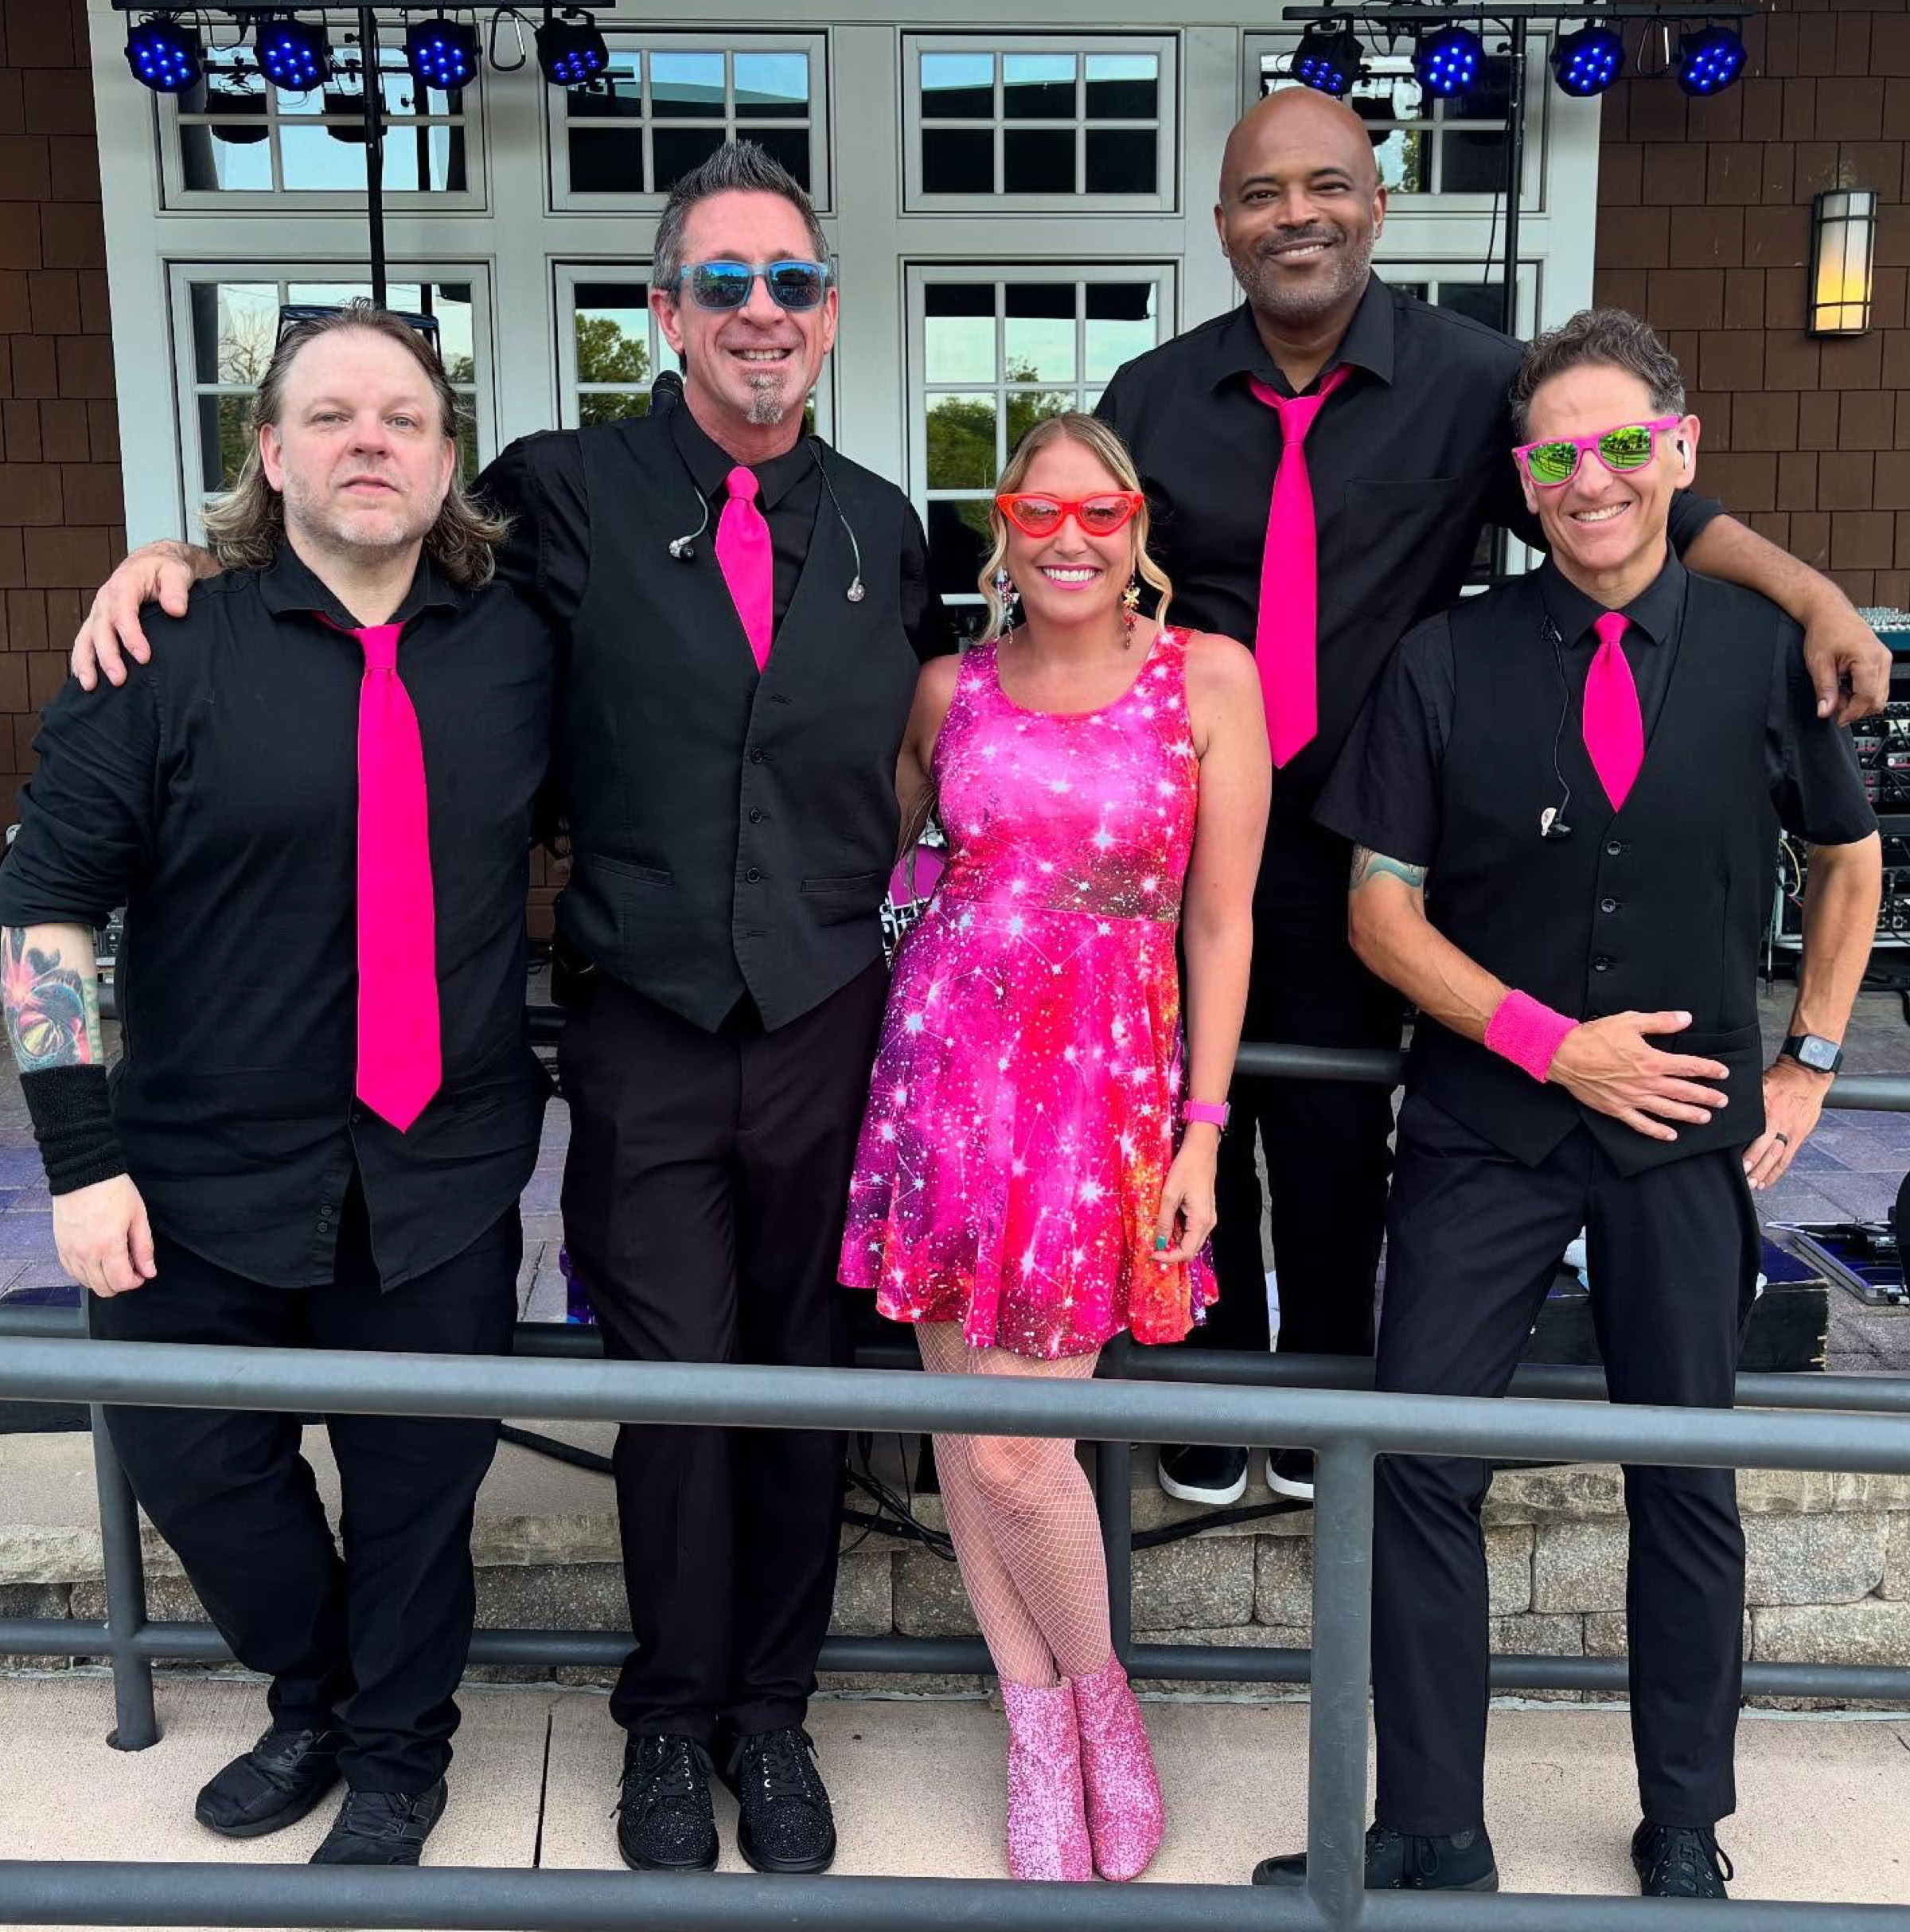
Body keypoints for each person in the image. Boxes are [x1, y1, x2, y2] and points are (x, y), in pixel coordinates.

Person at [65, 142, 951, 1879]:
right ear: (667, 310)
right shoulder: (561, 491)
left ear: (832, 313)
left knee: (802, 1379)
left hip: (829, 1023)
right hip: (640, 1021)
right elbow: (361, 546)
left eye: (789, 282)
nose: (758, 313)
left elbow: (919, 752)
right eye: (722, 283)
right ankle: (666, 1714)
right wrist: (171, 564)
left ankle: (767, 1712)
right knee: (675, 1388)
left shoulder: (887, 529)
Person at [1097, 87, 1892, 1510]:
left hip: (1371, 823)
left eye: (1327, 187)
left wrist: (1816, 594)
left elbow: (1647, 496)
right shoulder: (1152, 398)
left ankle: (1321, 1405)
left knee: (1340, 1133)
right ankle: (1207, 1394)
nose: (1299, 216)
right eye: (1264, 195)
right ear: (1223, 226)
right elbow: (1093, 569)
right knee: (1183, 1109)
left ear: (1377, 207)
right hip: (1190, 836)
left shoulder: (1476, 381)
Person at [1254, 307, 1882, 1899]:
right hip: (1483, 1131)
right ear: (1523, 483)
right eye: (1557, 454)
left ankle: (1686, 1816)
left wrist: (1808, 1057)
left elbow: (1849, 857)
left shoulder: (1765, 656)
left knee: (1686, 1474)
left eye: (1619, 443)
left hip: (1683, 1138)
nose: (1589, 478)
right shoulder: (1443, 659)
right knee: (1418, 1465)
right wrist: (1550, 1040)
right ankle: (1431, 1827)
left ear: (1676, 450)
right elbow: (1378, 916)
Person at [0, 306, 555, 1867]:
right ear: (270, 451)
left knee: (414, 1491)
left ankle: (395, 1750)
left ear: (449, 460)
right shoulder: (158, 647)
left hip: (438, 1166)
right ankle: (309, 1686)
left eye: (402, 416)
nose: (368, 440)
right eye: (329, 416)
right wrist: (78, 1154)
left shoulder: (524, 647)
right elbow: (44, 902)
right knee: (196, 1459)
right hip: (190, 1174)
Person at [840, 414, 1269, 1881]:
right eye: (1040, 509)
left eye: (1103, 510)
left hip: (1104, 1104)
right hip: (943, 1082)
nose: (1071, 535)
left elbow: (1222, 920)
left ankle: (1106, 1704)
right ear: (1004, 530)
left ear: (1140, 527)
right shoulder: (944, 689)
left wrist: (1204, 1133)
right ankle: (1037, 1724)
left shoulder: (1208, 679)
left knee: (1023, 1446)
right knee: (973, 1436)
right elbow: (901, 858)